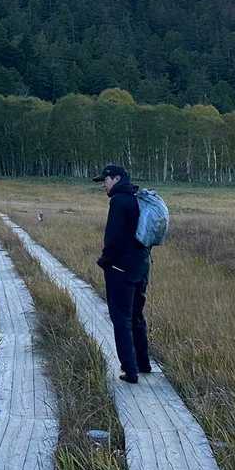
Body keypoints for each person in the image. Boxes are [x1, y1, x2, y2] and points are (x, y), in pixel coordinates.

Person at [92, 163, 152, 384]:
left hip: (121, 270)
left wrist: (105, 260)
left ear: (116, 179)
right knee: (136, 316)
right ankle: (144, 363)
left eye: (105, 180)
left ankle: (130, 370)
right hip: (141, 266)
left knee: (121, 319)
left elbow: (113, 238)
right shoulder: (136, 198)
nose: (103, 185)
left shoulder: (118, 201)